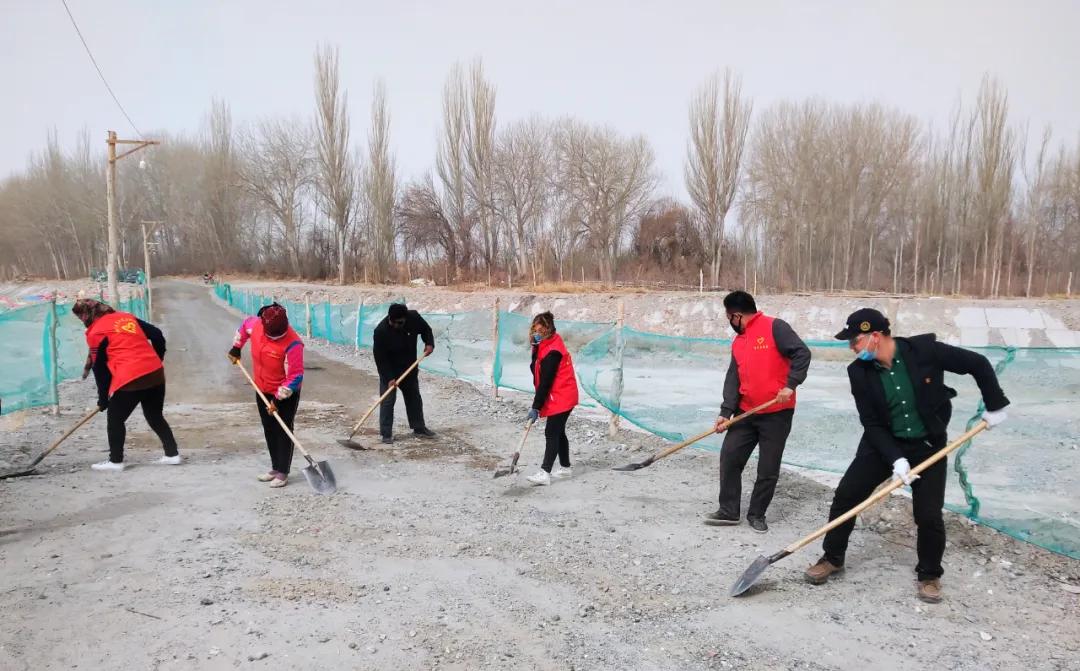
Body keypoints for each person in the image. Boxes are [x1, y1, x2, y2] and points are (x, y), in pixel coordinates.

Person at [805, 308, 1009, 603]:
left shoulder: (925, 351)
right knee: (847, 496)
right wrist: (896, 460)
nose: (851, 347)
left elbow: (977, 363)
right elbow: (872, 423)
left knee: (928, 515)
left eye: (855, 340)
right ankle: (832, 557)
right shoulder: (858, 372)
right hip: (883, 444)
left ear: (876, 336)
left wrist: (995, 405)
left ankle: (929, 575)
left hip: (928, 444)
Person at [706, 291, 811, 532]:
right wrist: (726, 411)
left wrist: (791, 384)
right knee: (730, 457)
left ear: (736, 315)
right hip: (746, 412)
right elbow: (733, 378)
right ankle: (729, 511)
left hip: (777, 413)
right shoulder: (739, 342)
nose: (729, 322)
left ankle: (757, 514)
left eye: (728, 317)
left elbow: (802, 353)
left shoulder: (775, 327)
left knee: (768, 467)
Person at [73, 298, 180, 471]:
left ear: (87, 315)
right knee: (154, 415)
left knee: (115, 418)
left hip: (132, 376)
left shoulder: (96, 333)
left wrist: (103, 399)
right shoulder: (126, 317)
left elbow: (100, 369)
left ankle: (115, 461)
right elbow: (157, 335)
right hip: (155, 372)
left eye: (81, 317)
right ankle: (172, 454)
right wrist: (156, 359)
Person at [228, 303, 304, 488]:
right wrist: (236, 347)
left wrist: (277, 399)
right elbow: (244, 327)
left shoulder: (293, 343)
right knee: (268, 427)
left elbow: (295, 376)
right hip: (261, 387)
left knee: (283, 429)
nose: (275, 338)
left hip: (285, 393)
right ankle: (275, 467)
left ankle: (283, 472)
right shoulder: (256, 325)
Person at [525, 312, 580, 487]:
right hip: (560, 393)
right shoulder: (544, 344)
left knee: (551, 432)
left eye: (540, 330)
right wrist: (535, 347)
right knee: (559, 431)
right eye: (535, 330)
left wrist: (536, 407)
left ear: (549, 329)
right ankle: (565, 468)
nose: (537, 333)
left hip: (563, 394)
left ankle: (545, 472)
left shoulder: (553, 351)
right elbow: (535, 368)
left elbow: (546, 383)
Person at [372, 303, 436, 444]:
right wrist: (389, 378)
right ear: (389, 318)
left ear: (405, 319)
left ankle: (419, 427)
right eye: (393, 322)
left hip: (409, 367)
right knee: (388, 401)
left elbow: (426, 329)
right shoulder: (381, 332)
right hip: (390, 371)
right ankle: (386, 434)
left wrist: (429, 343)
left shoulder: (413, 318)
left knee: (414, 398)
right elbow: (380, 359)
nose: (396, 325)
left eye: (400, 322)